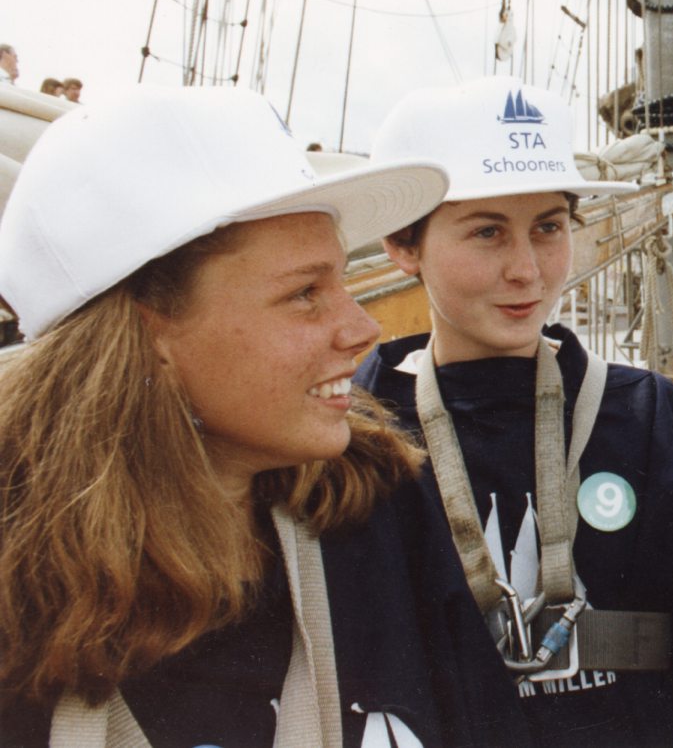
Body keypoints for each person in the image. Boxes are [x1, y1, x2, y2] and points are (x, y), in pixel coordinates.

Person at [0, 86, 526, 746]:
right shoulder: (20, 604)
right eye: (305, 294)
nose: (361, 327)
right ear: (149, 338)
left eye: (343, 282)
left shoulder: (380, 512)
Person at [358, 76, 673, 747]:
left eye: (548, 228)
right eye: (486, 233)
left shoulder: (651, 422)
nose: (527, 270)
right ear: (403, 243)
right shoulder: (360, 437)